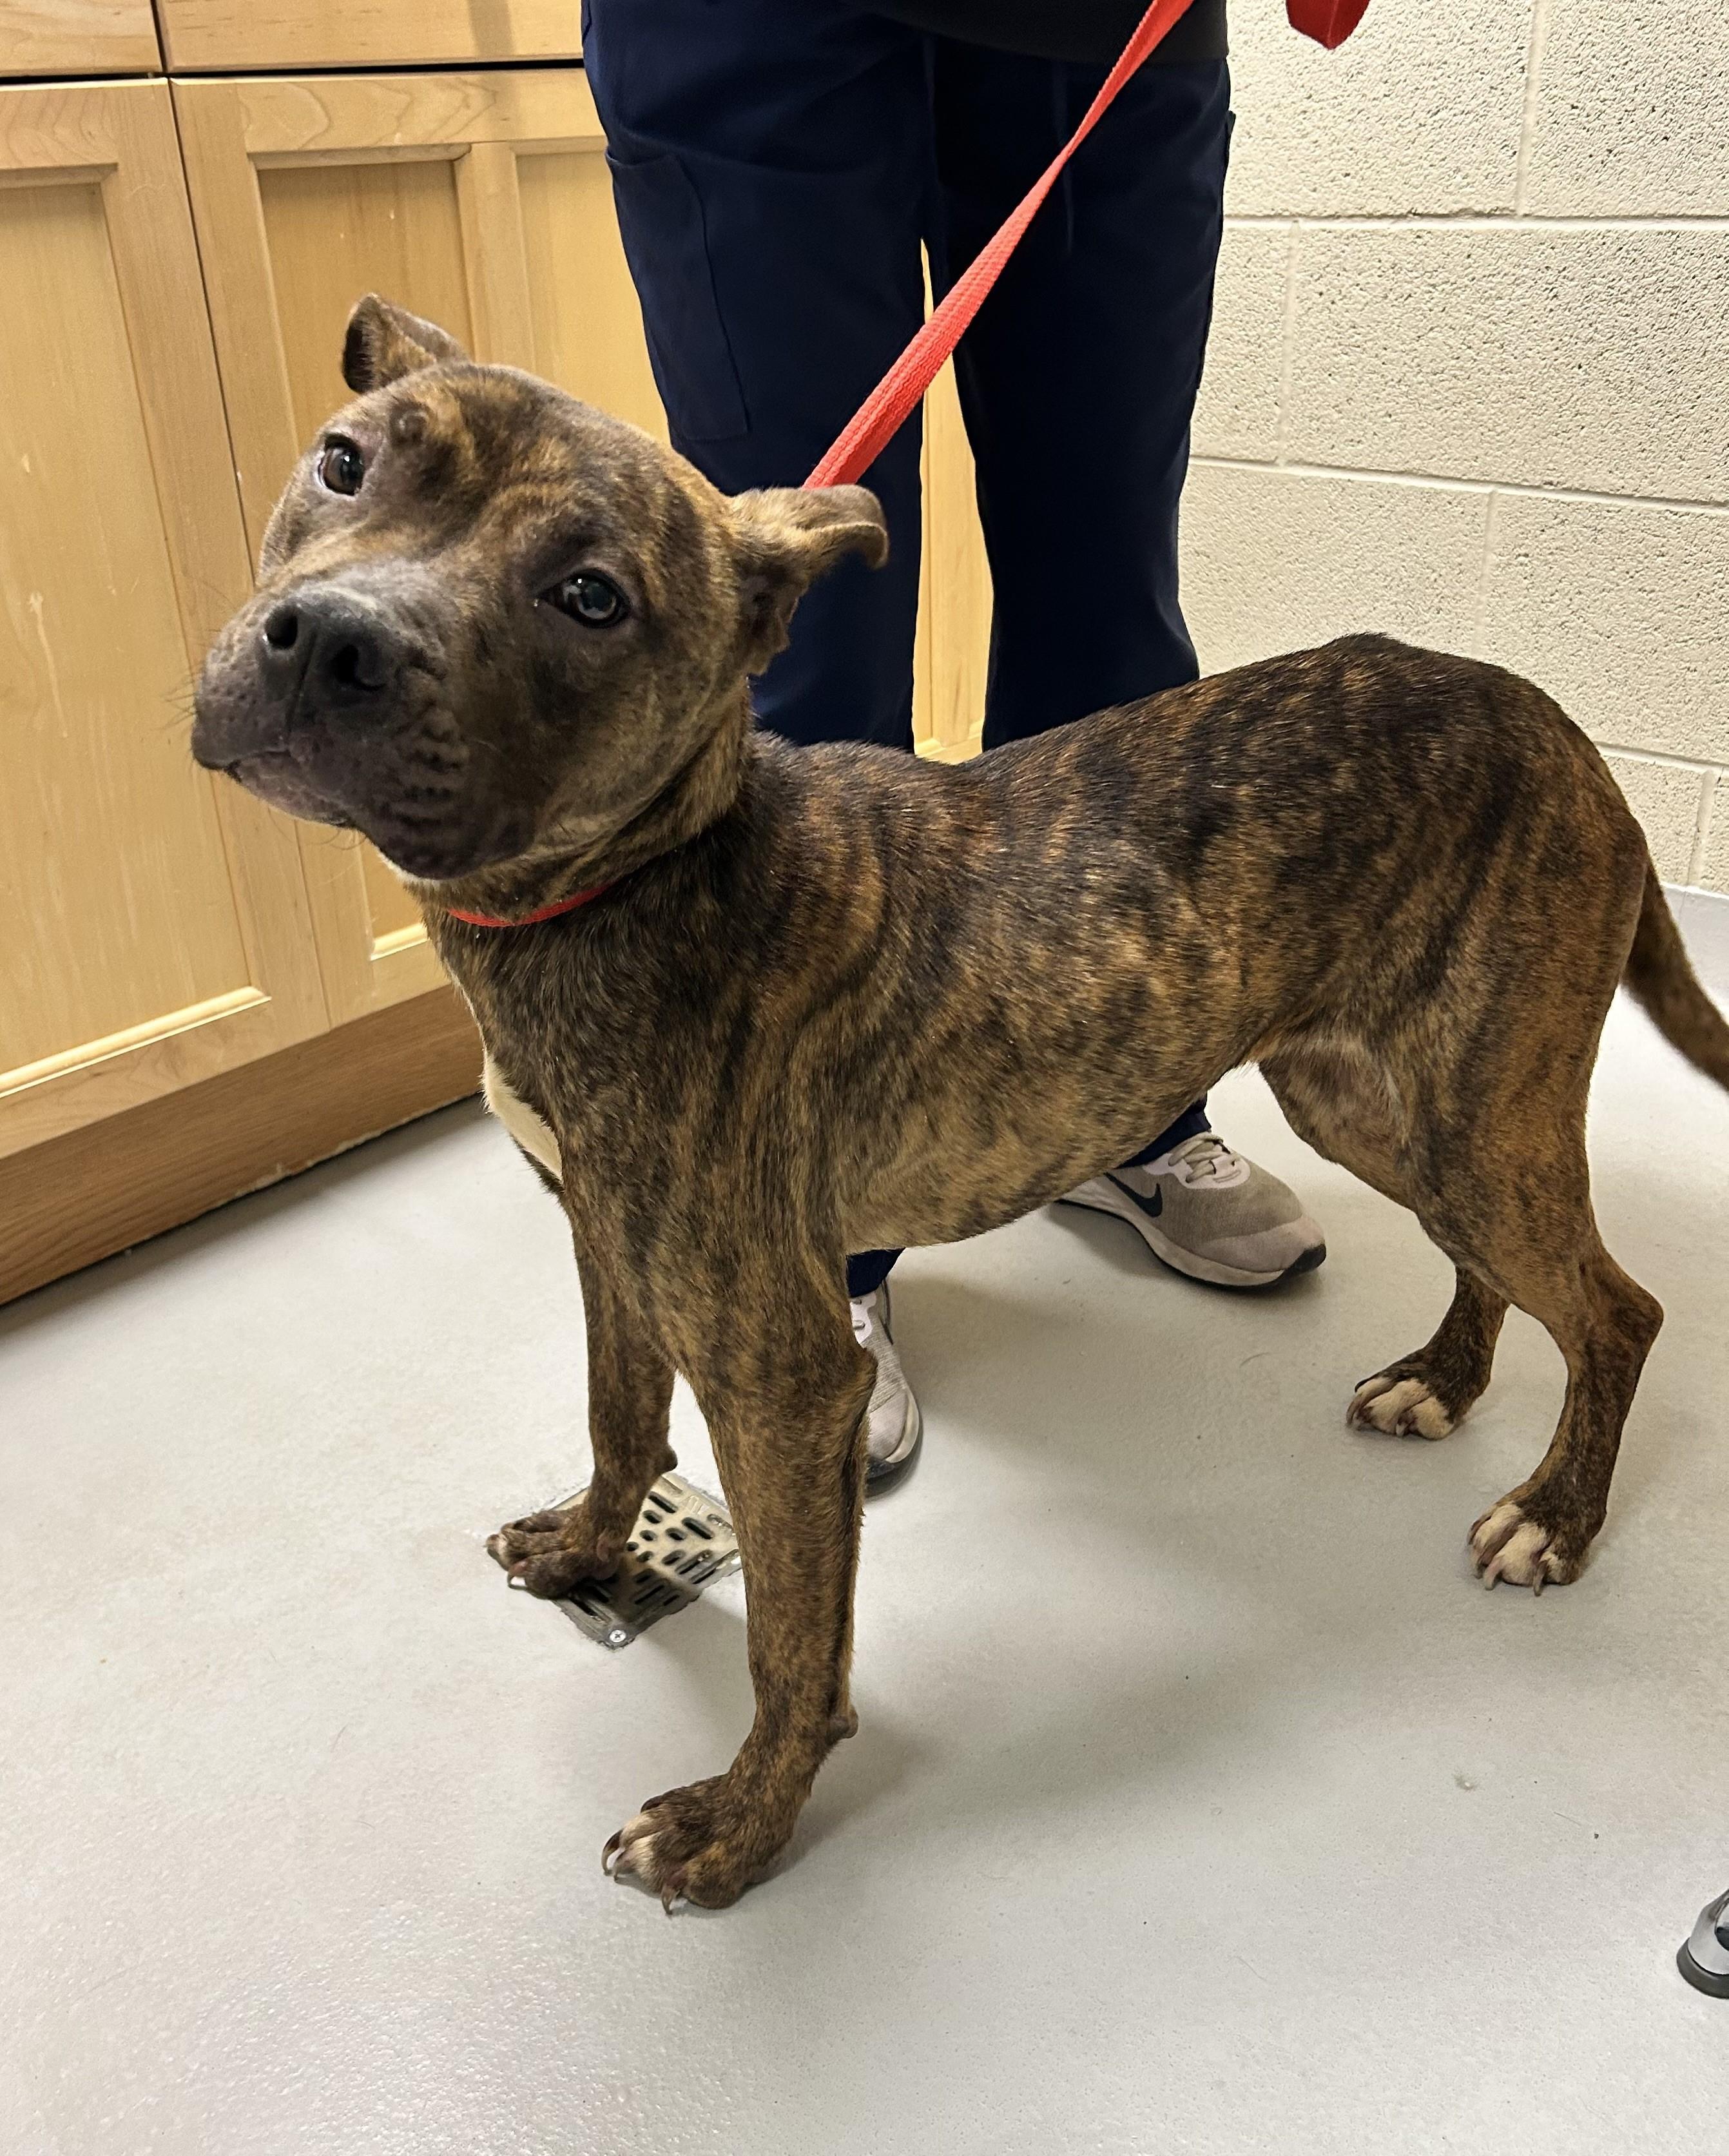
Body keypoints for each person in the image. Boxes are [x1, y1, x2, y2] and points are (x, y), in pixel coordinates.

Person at [583, 0, 1325, 1487]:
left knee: (1110, 611)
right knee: (803, 636)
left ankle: (1127, 1106)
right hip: (743, 32)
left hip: (1105, 23)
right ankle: (817, 1234)